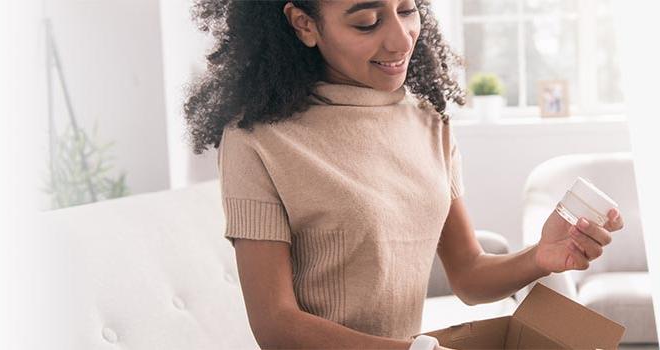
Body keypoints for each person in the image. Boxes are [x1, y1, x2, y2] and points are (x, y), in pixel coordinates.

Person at [182, 1, 625, 349]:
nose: (400, 40)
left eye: (407, 10)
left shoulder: (429, 121)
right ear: (304, 24)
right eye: (367, 22)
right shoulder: (257, 140)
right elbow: (276, 325)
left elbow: (468, 275)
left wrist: (541, 257)